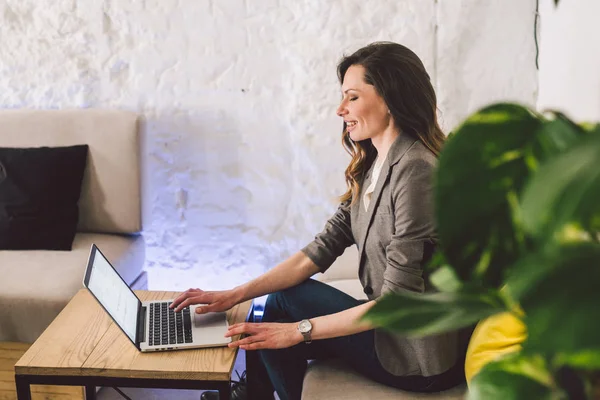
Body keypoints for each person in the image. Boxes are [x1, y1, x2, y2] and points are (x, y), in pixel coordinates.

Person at [171, 41, 463, 400]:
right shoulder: (376, 164)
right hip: (392, 331)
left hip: (416, 354)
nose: (340, 109)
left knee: (283, 307)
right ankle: (252, 395)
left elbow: (396, 301)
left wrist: (299, 331)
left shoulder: (417, 172)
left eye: (352, 97)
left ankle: (254, 395)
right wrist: (235, 294)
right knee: (275, 305)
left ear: (389, 98)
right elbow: (319, 250)